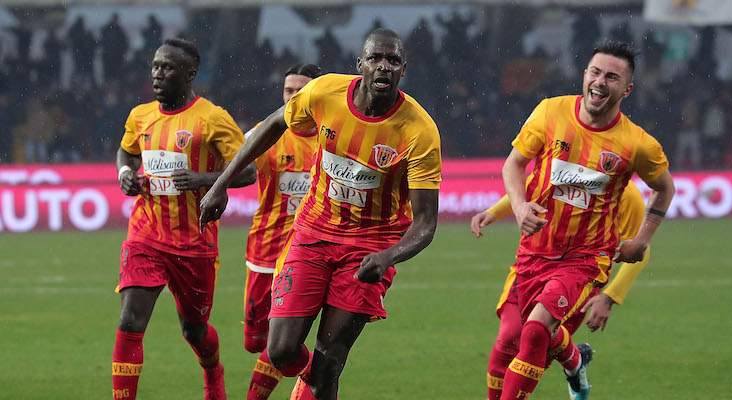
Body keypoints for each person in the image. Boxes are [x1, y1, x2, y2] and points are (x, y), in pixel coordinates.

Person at [199, 28, 441, 400]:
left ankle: (320, 379)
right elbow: (273, 124)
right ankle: (315, 381)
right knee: (280, 352)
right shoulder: (325, 92)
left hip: (368, 247)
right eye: (375, 58)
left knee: (330, 360)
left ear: (403, 70)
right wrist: (219, 185)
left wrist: (388, 256)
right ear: (360, 64)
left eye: (393, 61)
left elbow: (426, 222)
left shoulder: (419, 131)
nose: (383, 66)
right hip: (312, 234)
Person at [498, 40, 675, 400]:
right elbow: (514, 164)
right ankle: (575, 361)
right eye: (595, 72)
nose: (600, 82)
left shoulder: (637, 144)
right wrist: (518, 206)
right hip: (534, 251)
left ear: (627, 89)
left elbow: (664, 188)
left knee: (532, 334)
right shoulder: (550, 113)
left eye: (612, 77)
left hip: (585, 257)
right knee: (534, 337)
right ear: (584, 75)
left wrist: (642, 239)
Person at [112, 38, 256, 400]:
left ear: (190, 74)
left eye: (167, 67)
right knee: (130, 320)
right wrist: (125, 174)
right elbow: (126, 152)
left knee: (194, 329)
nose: (157, 74)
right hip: (146, 234)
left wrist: (206, 180)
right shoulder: (140, 115)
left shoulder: (212, 118)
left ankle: (213, 374)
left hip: (194, 243)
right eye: (155, 66)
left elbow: (248, 172)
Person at [472, 181, 651, 400]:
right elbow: (524, 190)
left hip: (577, 273)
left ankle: (574, 360)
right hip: (530, 266)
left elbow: (641, 250)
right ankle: (576, 359)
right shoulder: (559, 164)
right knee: (509, 340)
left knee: (537, 340)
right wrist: (492, 213)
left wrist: (610, 297)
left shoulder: (625, 193)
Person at [243, 63, 322, 400]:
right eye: (288, 91)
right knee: (255, 341)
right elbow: (233, 163)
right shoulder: (267, 132)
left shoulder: (332, 137)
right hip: (264, 248)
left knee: (283, 339)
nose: (292, 98)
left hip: (306, 253)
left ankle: (315, 376)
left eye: (300, 91)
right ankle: (314, 369)